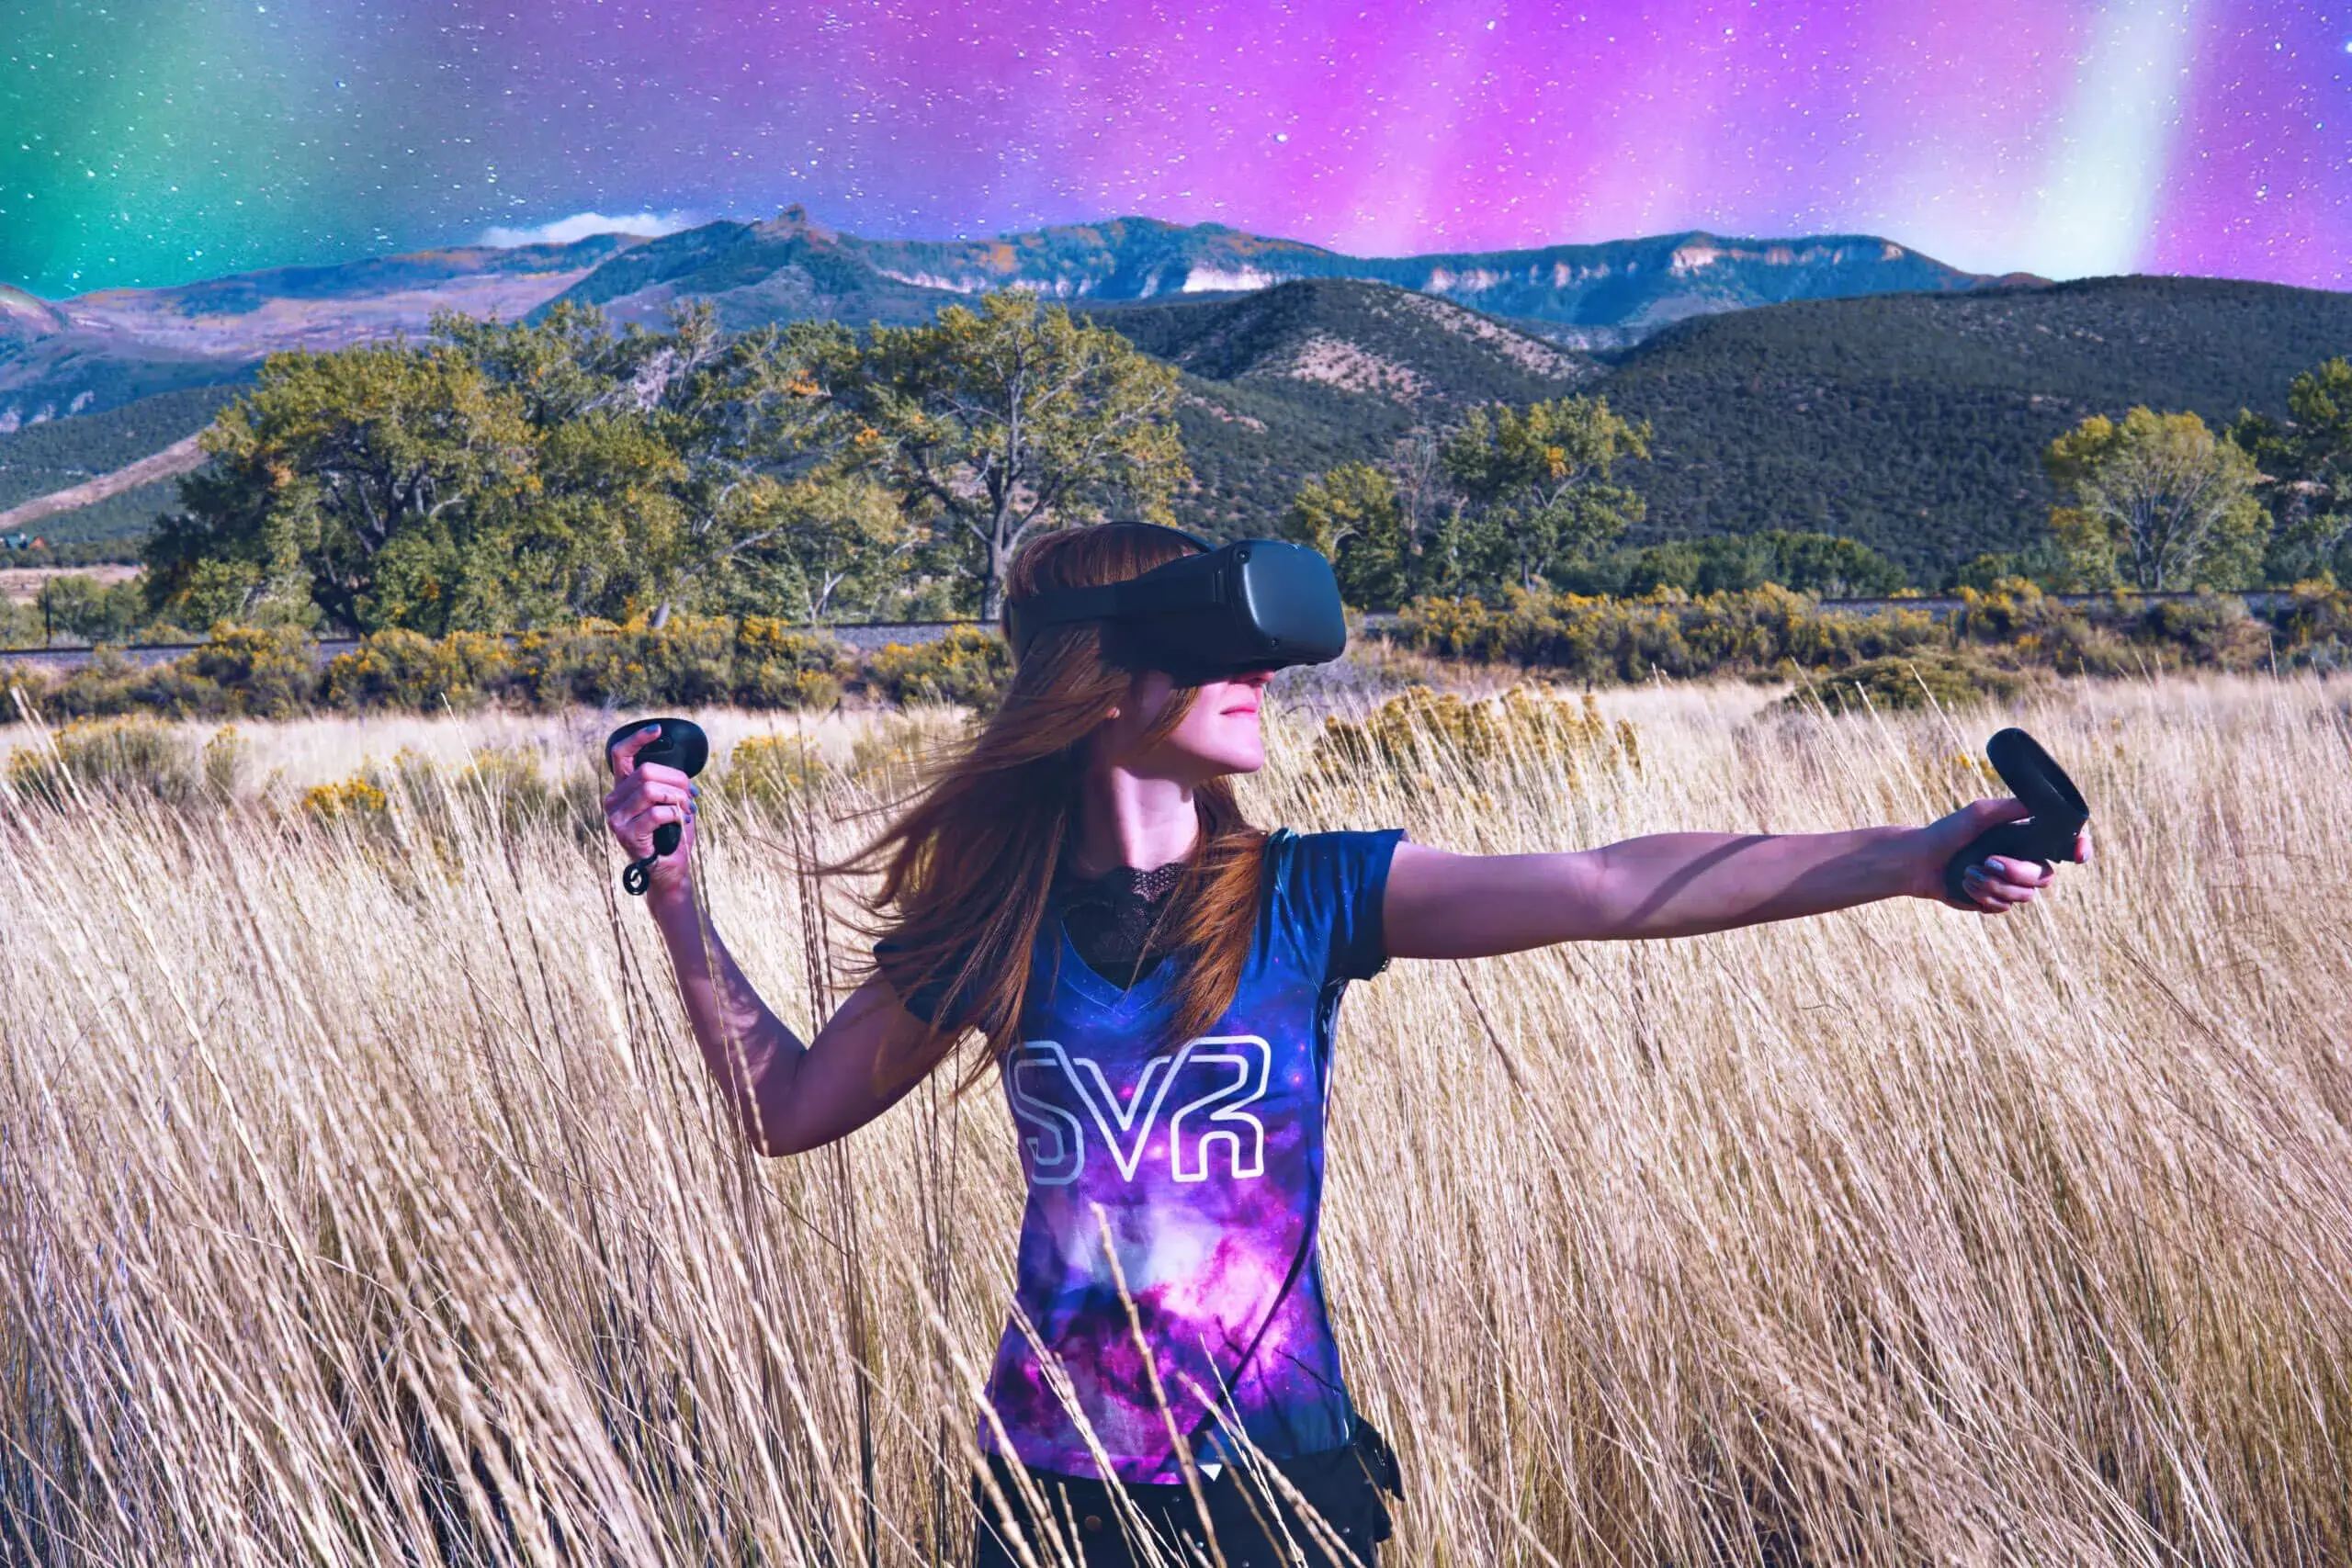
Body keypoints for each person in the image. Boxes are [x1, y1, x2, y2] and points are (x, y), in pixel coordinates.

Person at [600, 523, 2088, 1567]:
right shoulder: (996, 923)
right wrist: (676, 895)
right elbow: (787, 1109)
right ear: (1103, 673)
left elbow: (1606, 884)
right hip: (1055, 1494)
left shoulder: (1307, 894)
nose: (1260, 674)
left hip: (1280, 1485)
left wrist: (1911, 854)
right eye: (1215, 643)